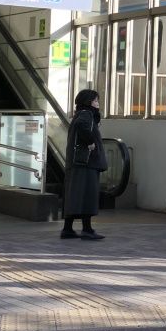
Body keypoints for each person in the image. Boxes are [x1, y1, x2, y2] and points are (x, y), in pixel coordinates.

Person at [63, 88, 106, 240]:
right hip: (86, 162)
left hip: (78, 162)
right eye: (95, 100)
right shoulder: (86, 114)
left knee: (75, 195)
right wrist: (91, 142)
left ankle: (67, 229)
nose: (97, 103)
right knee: (88, 195)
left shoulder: (80, 114)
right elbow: (83, 127)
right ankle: (87, 230)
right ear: (88, 102)